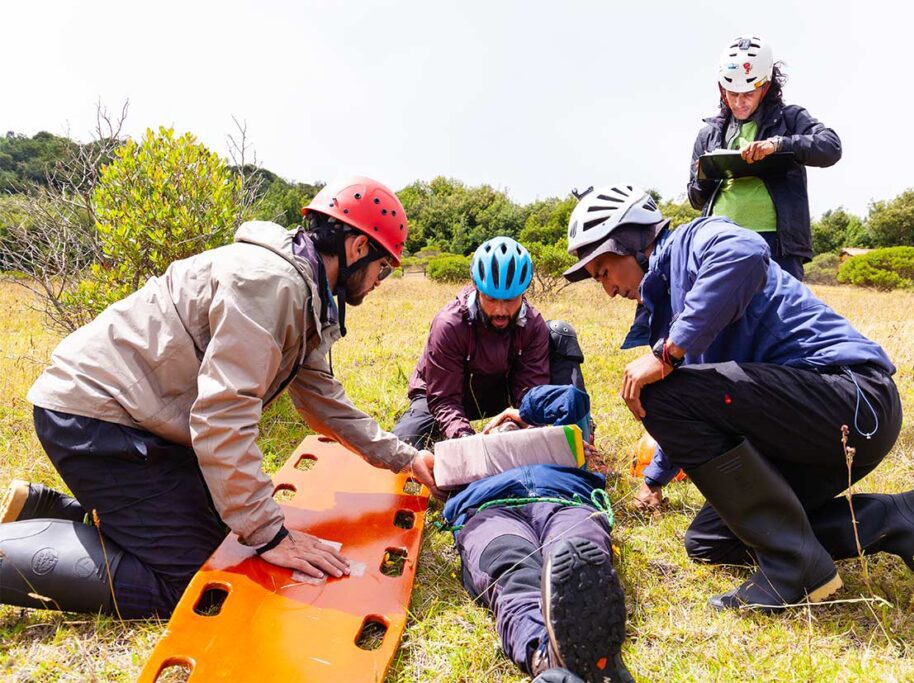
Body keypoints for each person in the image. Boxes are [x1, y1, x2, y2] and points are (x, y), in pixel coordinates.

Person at [0, 177, 440, 618]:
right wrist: (271, 535)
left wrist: (405, 458)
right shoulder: (271, 285)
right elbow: (223, 418)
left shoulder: (305, 290)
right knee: (197, 581)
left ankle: (50, 511)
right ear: (359, 248)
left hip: (140, 420)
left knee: (224, 534)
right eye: (384, 268)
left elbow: (323, 401)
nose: (380, 281)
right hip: (97, 418)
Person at [562, 183, 914, 613]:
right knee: (712, 539)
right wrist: (654, 481)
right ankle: (900, 521)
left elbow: (745, 252)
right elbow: (698, 399)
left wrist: (667, 354)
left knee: (656, 389)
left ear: (630, 242)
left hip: (852, 398)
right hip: (809, 427)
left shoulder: (693, 239)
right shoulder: (672, 305)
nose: (608, 290)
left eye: (604, 272)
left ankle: (796, 568)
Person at [444, 384, 633, 683]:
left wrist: (522, 413)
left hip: (566, 501)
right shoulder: (471, 462)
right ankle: (545, 656)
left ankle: (566, 662)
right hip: (490, 510)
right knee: (512, 569)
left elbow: (570, 398)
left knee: (573, 556)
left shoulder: (563, 446)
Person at [391, 237, 586, 449]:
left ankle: (578, 439)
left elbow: (530, 392)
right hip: (445, 395)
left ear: (523, 294)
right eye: (491, 299)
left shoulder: (532, 324)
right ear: (477, 289)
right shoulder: (449, 324)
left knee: (559, 333)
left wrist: (525, 424)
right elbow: (444, 399)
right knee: (405, 441)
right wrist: (467, 440)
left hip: (500, 393)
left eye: (510, 300)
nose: (500, 310)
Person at [687, 34, 842, 281]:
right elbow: (695, 200)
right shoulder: (709, 133)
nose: (739, 102)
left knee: (781, 307)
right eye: (732, 93)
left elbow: (831, 147)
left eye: (748, 94)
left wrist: (779, 145)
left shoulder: (790, 119)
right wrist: (705, 174)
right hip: (718, 241)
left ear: (766, 87)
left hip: (776, 245)